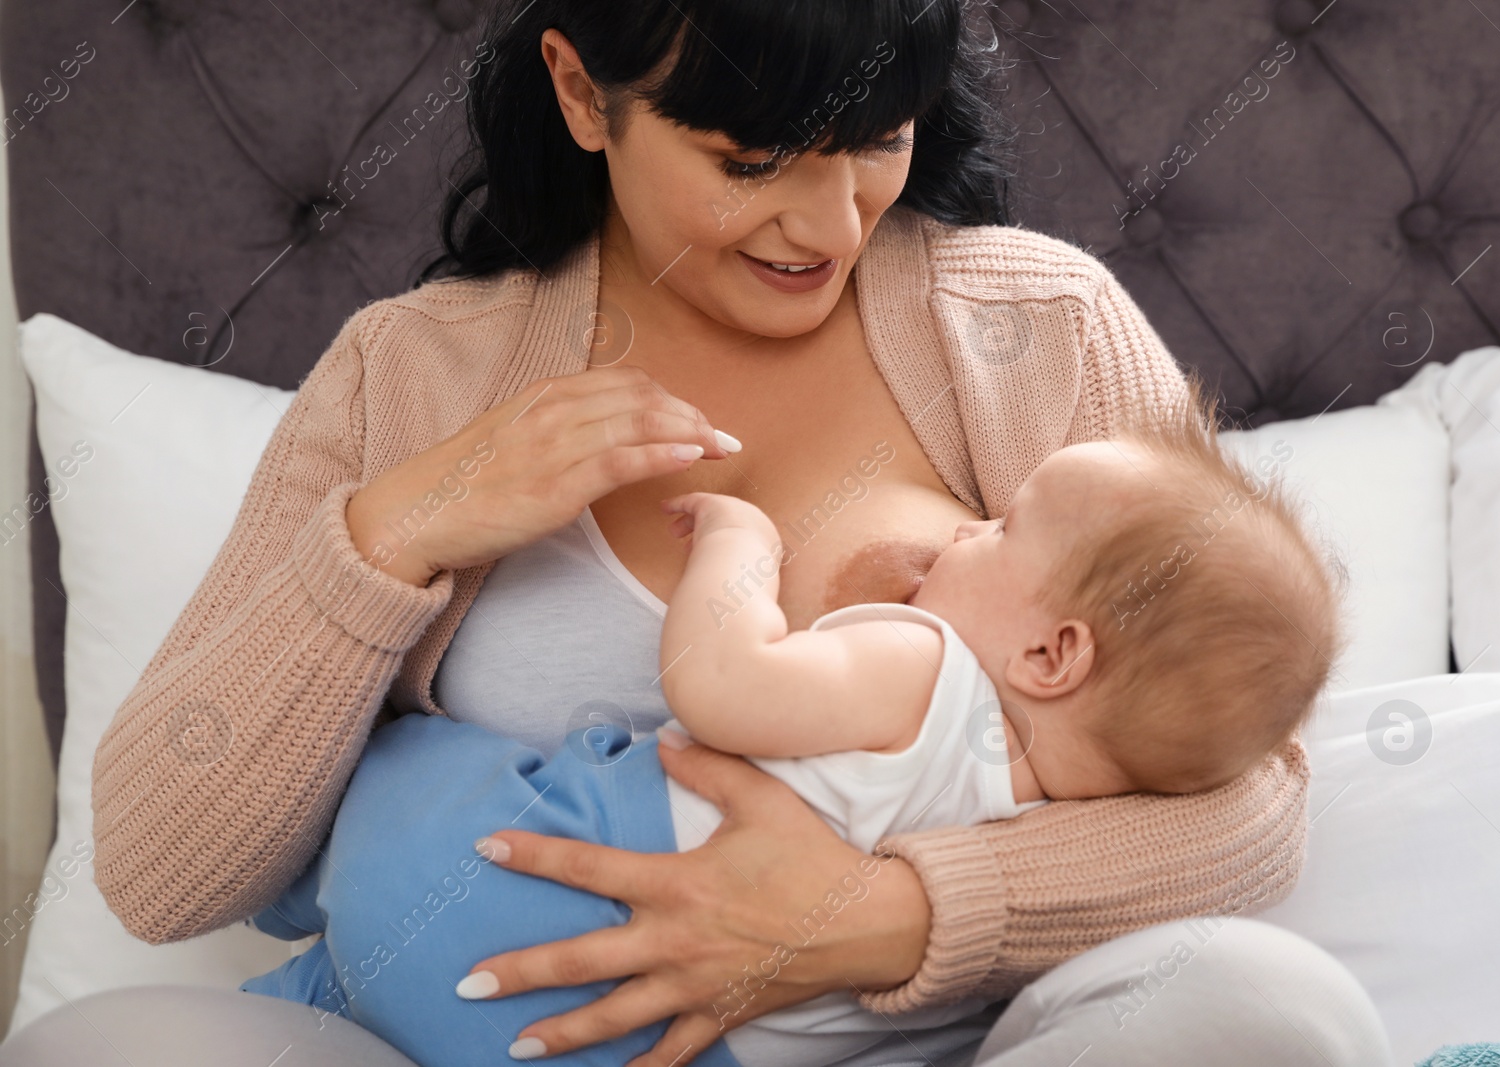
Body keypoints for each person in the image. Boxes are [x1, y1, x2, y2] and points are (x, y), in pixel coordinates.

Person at [67, 0, 1391, 1064]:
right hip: (483, 1029)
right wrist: (398, 531)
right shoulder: (408, 375)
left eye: (878, 138)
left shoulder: (1034, 323)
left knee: (1272, 1008)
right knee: (108, 1045)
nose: (831, 225)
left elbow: (1254, 804)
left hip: (909, 1041)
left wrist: (878, 917)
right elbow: (159, 867)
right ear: (585, 94)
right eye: (749, 163)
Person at [235, 387, 1349, 1067]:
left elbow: (726, 684)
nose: (970, 528)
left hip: (525, 888)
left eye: (1002, 528)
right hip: (674, 1044)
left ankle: (310, 910)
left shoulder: (924, 668)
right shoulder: (1062, 796)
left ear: (1051, 654)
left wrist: (744, 548)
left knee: (416, 772)